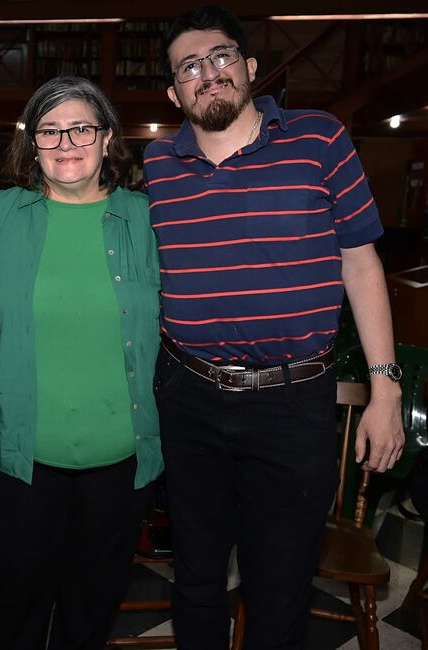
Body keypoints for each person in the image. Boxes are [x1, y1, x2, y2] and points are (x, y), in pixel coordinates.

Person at [144, 5, 405, 649]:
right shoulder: (156, 167)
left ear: (250, 67)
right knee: (197, 581)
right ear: (174, 92)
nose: (208, 73)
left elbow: (361, 262)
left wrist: (386, 388)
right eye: (189, 67)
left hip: (294, 403)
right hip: (189, 396)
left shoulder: (318, 138)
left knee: (281, 588)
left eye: (222, 56)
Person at [0, 75, 163, 650]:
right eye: (49, 130)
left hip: (121, 461)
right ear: (32, 144)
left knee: (92, 604)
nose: (65, 141)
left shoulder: (148, 220)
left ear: (106, 139)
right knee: (17, 601)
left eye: (81, 128)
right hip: (16, 457)